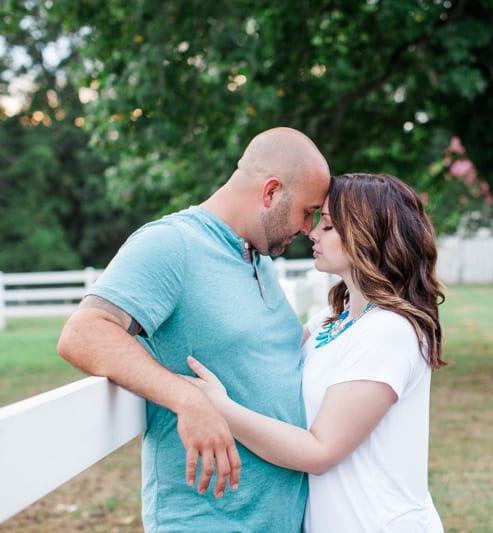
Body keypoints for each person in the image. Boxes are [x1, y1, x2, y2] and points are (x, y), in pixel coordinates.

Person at [56, 127, 331, 532]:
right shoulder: (172, 244)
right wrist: (185, 398)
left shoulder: (257, 259)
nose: (310, 227)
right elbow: (83, 333)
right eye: (308, 211)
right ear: (271, 192)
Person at [185, 172, 447, 532]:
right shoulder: (330, 318)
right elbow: (265, 355)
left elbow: (320, 451)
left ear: (365, 233)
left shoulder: (390, 331)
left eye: (326, 225)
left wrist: (221, 408)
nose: (312, 232)